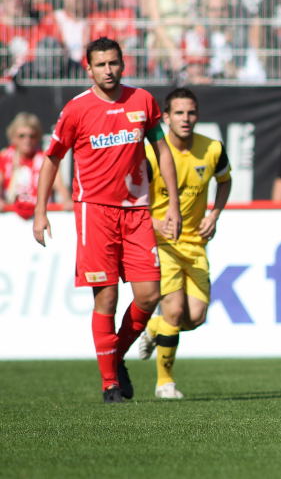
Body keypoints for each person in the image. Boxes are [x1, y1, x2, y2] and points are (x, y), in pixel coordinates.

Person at [32, 37, 182, 404]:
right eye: (100, 65)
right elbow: (52, 158)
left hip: (137, 212)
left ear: (123, 64)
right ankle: (110, 384)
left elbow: (162, 150)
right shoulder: (76, 109)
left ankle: (113, 356)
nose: (108, 70)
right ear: (89, 69)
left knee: (149, 294)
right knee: (107, 298)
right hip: (95, 212)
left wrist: (173, 205)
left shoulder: (142, 101)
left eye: (113, 63)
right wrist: (40, 210)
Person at [137, 87, 232, 399]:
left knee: (195, 318)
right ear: (166, 117)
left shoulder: (212, 149)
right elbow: (131, 197)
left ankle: (154, 328)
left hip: (196, 245)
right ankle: (165, 383)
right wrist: (154, 223)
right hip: (162, 243)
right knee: (175, 311)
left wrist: (214, 214)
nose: (185, 118)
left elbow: (225, 181)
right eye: (178, 113)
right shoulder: (150, 154)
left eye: (191, 112)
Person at [0, 111, 71, 218]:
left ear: (37, 138)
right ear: (13, 137)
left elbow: (61, 188)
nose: (27, 140)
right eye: (22, 136)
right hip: (11, 217)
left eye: (32, 136)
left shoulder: (46, 160)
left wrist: (67, 201)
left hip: (40, 215)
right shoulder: (4, 157)